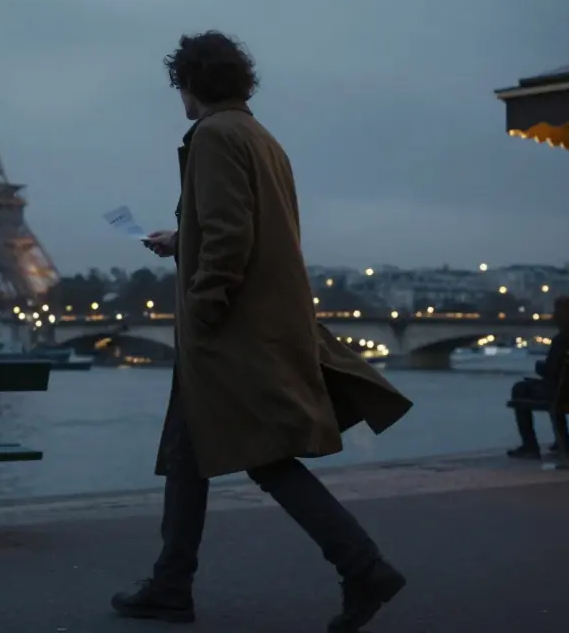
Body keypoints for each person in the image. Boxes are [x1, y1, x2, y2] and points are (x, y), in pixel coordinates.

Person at [111, 31, 415, 633]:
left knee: (266, 457)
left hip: (230, 332)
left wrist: (205, 306)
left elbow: (230, 234)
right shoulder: (259, 136)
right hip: (259, 321)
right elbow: (248, 225)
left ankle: (363, 567)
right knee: (187, 457)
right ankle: (171, 584)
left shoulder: (213, 136)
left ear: (188, 83)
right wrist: (183, 240)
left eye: (179, 86)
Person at [506, 295, 569, 460]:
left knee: (520, 389)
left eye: (556, 312)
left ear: (564, 315)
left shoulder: (563, 339)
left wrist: (539, 367)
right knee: (558, 387)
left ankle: (530, 445)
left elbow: (551, 370)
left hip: (563, 393)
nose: (553, 316)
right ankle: (562, 442)